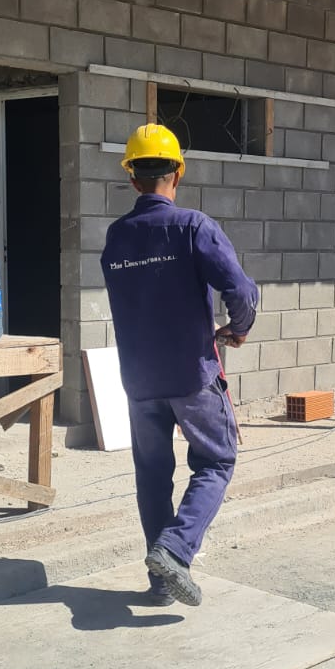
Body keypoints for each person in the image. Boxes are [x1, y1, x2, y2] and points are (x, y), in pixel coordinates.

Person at [101, 124, 258, 608]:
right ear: (178, 173)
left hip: (139, 380)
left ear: (132, 178)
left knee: (152, 476)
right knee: (217, 460)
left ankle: (160, 581)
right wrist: (238, 327)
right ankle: (175, 550)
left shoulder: (116, 236)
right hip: (191, 376)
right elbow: (240, 290)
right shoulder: (193, 227)